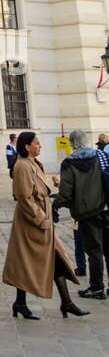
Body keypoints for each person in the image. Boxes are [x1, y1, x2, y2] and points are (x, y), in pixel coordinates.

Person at [2, 132, 87, 320]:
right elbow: (24, 197)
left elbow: (38, 190)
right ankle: (24, 303)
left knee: (55, 259)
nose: (40, 146)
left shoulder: (32, 164)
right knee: (27, 261)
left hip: (41, 221)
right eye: (37, 143)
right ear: (27, 146)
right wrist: (42, 219)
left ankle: (65, 303)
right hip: (32, 222)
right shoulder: (22, 166)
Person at [56, 129, 109, 300]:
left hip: (86, 213)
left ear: (72, 144)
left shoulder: (68, 163)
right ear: (87, 141)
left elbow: (66, 192)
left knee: (94, 251)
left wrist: (55, 205)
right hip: (106, 208)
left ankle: (97, 288)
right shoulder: (99, 155)